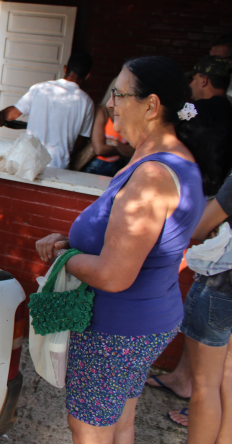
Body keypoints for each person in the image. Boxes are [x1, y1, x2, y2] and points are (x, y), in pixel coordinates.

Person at [36, 56, 219, 444]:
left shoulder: (152, 174)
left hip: (116, 327)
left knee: (89, 428)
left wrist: (64, 257)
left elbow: (113, 274)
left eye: (118, 95)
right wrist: (75, 243)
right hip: (144, 320)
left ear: (151, 105)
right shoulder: (168, 160)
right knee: (120, 421)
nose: (110, 104)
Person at [158, 174, 232, 442]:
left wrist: (217, 223)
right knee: (227, 378)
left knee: (206, 385)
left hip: (222, 285)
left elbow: (200, 227)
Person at [0, 52, 95, 169]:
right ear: (88, 76)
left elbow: (11, 115)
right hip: (58, 165)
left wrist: (1, 116)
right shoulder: (86, 102)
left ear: (65, 68)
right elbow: (80, 140)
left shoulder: (40, 88)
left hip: (29, 160)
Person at [82, 80, 134, 177]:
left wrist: (116, 143)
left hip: (119, 166)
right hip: (96, 166)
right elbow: (99, 149)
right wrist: (123, 149)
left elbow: (132, 152)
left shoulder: (130, 117)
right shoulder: (102, 112)